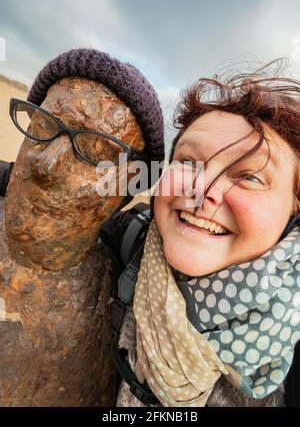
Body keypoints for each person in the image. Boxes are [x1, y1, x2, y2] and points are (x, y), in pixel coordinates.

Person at [1, 61, 300, 407]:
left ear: (293, 211)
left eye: (249, 176)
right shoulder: (134, 240)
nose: (200, 190)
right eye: (189, 162)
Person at [0, 48, 164, 406]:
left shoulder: (121, 313)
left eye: (93, 150)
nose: (47, 166)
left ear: (125, 192)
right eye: (43, 126)